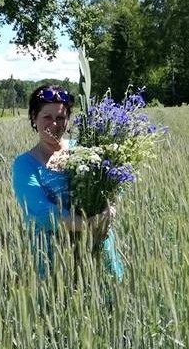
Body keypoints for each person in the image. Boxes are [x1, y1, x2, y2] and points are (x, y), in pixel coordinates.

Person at [12, 84, 124, 281]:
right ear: (34, 118)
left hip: (97, 247)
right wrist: (88, 225)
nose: (54, 124)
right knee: (60, 308)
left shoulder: (85, 150)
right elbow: (41, 211)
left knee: (108, 302)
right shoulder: (25, 164)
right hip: (54, 256)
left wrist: (111, 209)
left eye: (61, 117)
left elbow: (113, 183)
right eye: (47, 117)